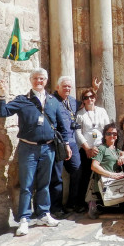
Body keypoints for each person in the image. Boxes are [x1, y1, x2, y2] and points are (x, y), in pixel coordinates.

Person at [0, 68, 70, 236]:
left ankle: (43, 214)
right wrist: (1, 94)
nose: (39, 81)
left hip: (48, 148)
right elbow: (2, 112)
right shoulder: (22, 100)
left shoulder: (52, 101)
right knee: (27, 185)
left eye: (42, 78)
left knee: (44, 184)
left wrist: (67, 144)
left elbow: (62, 125)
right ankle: (24, 219)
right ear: (31, 80)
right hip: (28, 148)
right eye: (35, 78)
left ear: (46, 81)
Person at [50, 76, 82, 218]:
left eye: (69, 86)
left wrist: (94, 90)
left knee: (77, 170)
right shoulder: (51, 101)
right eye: (64, 86)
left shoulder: (73, 101)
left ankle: (72, 203)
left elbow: (85, 102)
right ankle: (56, 207)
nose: (67, 89)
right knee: (56, 175)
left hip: (72, 142)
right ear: (57, 87)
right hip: (58, 142)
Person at [75, 88, 111, 210]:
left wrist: (103, 147)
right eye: (86, 97)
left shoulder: (102, 111)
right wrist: (87, 148)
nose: (89, 99)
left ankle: (104, 201)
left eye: (91, 97)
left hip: (101, 147)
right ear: (83, 100)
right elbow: (78, 132)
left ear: (95, 98)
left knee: (101, 175)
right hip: (86, 149)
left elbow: (107, 129)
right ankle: (82, 203)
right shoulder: (80, 114)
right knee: (85, 175)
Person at [88, 123, 124, 219]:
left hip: (115, 184)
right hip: (104, 184)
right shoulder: (101, 149)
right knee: (120, 208)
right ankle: (95, 205)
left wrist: (123, 155)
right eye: (109, 133)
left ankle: (100, 206)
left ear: (117, 136)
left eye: (114, 134)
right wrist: (111, 175)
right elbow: (94, 166)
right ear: (105, 135)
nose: (112, 136)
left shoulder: (116, 150)